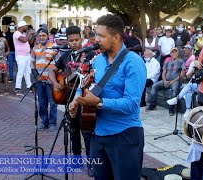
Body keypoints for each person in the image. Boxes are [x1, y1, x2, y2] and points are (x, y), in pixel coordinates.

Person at [68, 14, 146, 179]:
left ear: (116, 37)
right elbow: (86, 85)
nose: (96, 40)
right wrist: (76, 99)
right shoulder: (97, 61)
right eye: (96, 35)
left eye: (101, 36)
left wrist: (99, 102)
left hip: (124, 135)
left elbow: (132, 104)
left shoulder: (134, 62)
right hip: (98, 134)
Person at [48, 26, 96, 176]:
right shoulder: (66, 55)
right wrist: (55, 83)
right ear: (67, 41)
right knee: (73, 131)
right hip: (68, 98)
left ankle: (91, 164)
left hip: (85, 98)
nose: (74, 43)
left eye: (77, 40)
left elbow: (94, 74)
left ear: (81, 38)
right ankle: (76, 160)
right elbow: (51, 70)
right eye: (71, 40)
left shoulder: (90, 54)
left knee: (87, 132)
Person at [30, 29, 58, 132]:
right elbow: (32, 63)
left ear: (47, 36)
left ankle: (52, 123)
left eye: (43, 35)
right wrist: (35, 74)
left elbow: (59, 64)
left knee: (53, 102)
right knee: (42, 103)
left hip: (51, 81)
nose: (41, 37)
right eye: (40, 36)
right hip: (40, 81)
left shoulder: (54, 48)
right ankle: (44, 121)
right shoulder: (35, 49)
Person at [146, 47, 185, 116]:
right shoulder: (167, 63)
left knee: (175, 89)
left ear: (178, 53)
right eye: (172, 52)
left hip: (175, 81)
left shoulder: (181, 62)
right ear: (170, 54)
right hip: (166, 80)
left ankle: (171, 108)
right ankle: (152, 105)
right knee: (154, 86)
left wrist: (172, 81)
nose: (174, 53)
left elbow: (181, 74)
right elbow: (163, 73)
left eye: (175, 52)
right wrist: (164, 81)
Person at [13, 21, 35, 94]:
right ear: (22, 26)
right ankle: (17, 87)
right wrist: (29, 33)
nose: (27, 28)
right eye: (26, 26)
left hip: (27, 55)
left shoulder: (24, 34)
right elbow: (24, 40)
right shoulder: (16, 33)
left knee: (27, 72)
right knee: (21, 71)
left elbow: (29, 42)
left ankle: (29, 86)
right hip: (20, 56)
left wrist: (33, 37)